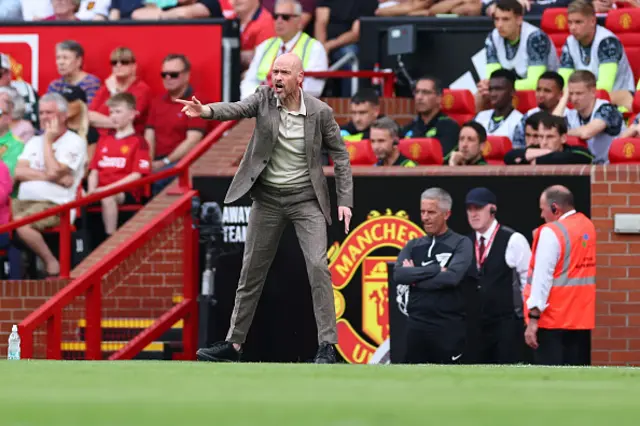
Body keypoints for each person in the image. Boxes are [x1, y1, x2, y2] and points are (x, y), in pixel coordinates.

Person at [178, 53, 353, 364]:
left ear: (300, 78)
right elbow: (236, 109)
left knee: (318, 266)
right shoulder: (263, 99)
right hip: (268, 199)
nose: (277, 77)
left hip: (306, 199)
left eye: (284, 72)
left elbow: (341, 157)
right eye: (275, 71)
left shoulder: (321, 112)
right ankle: (233, 345)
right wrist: (205, 110)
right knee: (251, 272)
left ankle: (327, 346)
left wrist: (345, 201)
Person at [393, 187, 473, 364]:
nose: (425, 218)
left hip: (447, 328)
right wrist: (436, 270)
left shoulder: (461, 243)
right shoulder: (413, 245)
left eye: (431, 212)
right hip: (416, 326)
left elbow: (452, 278)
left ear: (446, 214)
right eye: (422, 212)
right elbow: (399, 275)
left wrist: (414, 277)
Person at [13, 93, 87, 277]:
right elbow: (18, 172)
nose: (44, 117)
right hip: (23, 202)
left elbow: (55, 170)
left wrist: (47, 140)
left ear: (63, 116)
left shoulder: (74, 141)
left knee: (22, 224)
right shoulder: (33, 141)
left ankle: (50, 262)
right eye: (42, 113)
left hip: (55, 203)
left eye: (49, 113)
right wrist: (49, 176)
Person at [523, 185, 596, 366]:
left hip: (552, 322)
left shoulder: (551, 232)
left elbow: (542, 278)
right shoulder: (588, 226)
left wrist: (533, 319)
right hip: (580, 320)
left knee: (550, 383)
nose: (542, 215)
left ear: (555, 208)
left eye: (543, 209)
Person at [464, 187, 531, 364]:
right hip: (475, 326)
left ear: (492, 210)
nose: (473, 214)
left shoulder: (513, 239)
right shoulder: (465, 243)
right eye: (469, 209)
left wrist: (529, 319)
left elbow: (527, 281)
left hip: (505, 324)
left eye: (478, 208)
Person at [87, 93, 151, 236]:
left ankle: (111, 238)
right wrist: (92, 190)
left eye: (118, 112)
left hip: (126, 192)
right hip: (100, 190)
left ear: (132, 114)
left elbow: (136, 175)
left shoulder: (139, 142)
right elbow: (94, 171)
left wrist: (106, 190)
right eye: (111, 112)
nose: (113, 116)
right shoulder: (104, 140)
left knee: (108, 197)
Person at [240, 0, 328, 100]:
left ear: (299, 21)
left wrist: (274, 100)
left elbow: (313, 89)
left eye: (285, 17)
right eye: (275, 16)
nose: (279, 21)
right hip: (260, 107)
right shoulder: (265, 46)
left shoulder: (315, 48)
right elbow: (249, 81)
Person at [559, 0, 635, 111]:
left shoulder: (608, 42)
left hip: (616, 100)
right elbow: (563, 79)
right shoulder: (570, 42)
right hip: (583, 99)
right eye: (570, 22)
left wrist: (573, 95)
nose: (572, 28)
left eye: (578, 22)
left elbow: (604, 87)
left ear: (593, 21)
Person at [505, 113, 594, 165]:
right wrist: (548, 152)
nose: (544, 142)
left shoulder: (576, 151)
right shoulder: (534, 149)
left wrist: (536, 160)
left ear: (563, 138)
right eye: (540, 136)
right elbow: (509, 156)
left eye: (550, 137)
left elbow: (586, 157)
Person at [474, 69, 523, 141]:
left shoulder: (519, 122)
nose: (493, 94)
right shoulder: (480, 117)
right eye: (491, 89)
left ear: (512, 92)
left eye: (498, 89)